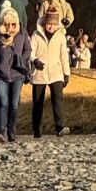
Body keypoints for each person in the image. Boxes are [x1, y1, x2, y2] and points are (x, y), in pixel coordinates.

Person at [0, 10, 32, 142]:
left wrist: (22, 60)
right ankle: (1, 131)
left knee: (14, 104)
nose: (10, 27)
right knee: (3, 102)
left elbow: (28, 49)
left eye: (13, 24)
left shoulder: (22, 34)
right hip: (1, 74)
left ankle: (12, 130)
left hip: (17, 74)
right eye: (7, 24)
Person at [30, 8, 70, 138]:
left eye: (53, 24)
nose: (51, 27)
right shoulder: (36, 34)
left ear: (57, 24)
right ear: (44, 23)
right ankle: (37, 129)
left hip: (56, 71)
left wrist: (66, 73)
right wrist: (34, 60)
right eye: (49, 24)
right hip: (39, 72)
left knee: (58, 100)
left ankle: (60, 127)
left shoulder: (61, 36)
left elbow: (64, 55)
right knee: (38, 102)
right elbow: (31, 50)